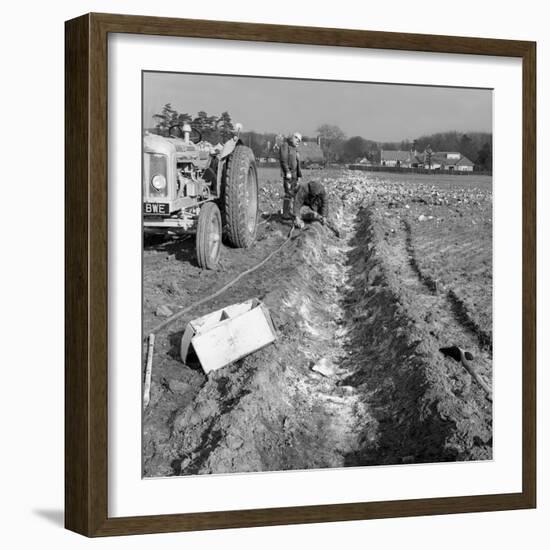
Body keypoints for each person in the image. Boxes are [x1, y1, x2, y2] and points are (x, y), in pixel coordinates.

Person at [279, 132, 302, 218]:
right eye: (297, 139)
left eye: (299, 141)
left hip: (295, 175)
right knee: (288, 193)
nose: (298, 142)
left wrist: (299, 176)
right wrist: (287, 172)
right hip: (289, 175)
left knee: (294, 193)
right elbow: (283, 160)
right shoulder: (285, 146)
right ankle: (285, 213)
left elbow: (298, 164)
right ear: (293, 137)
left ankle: (290, 211)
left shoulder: (295, 149)